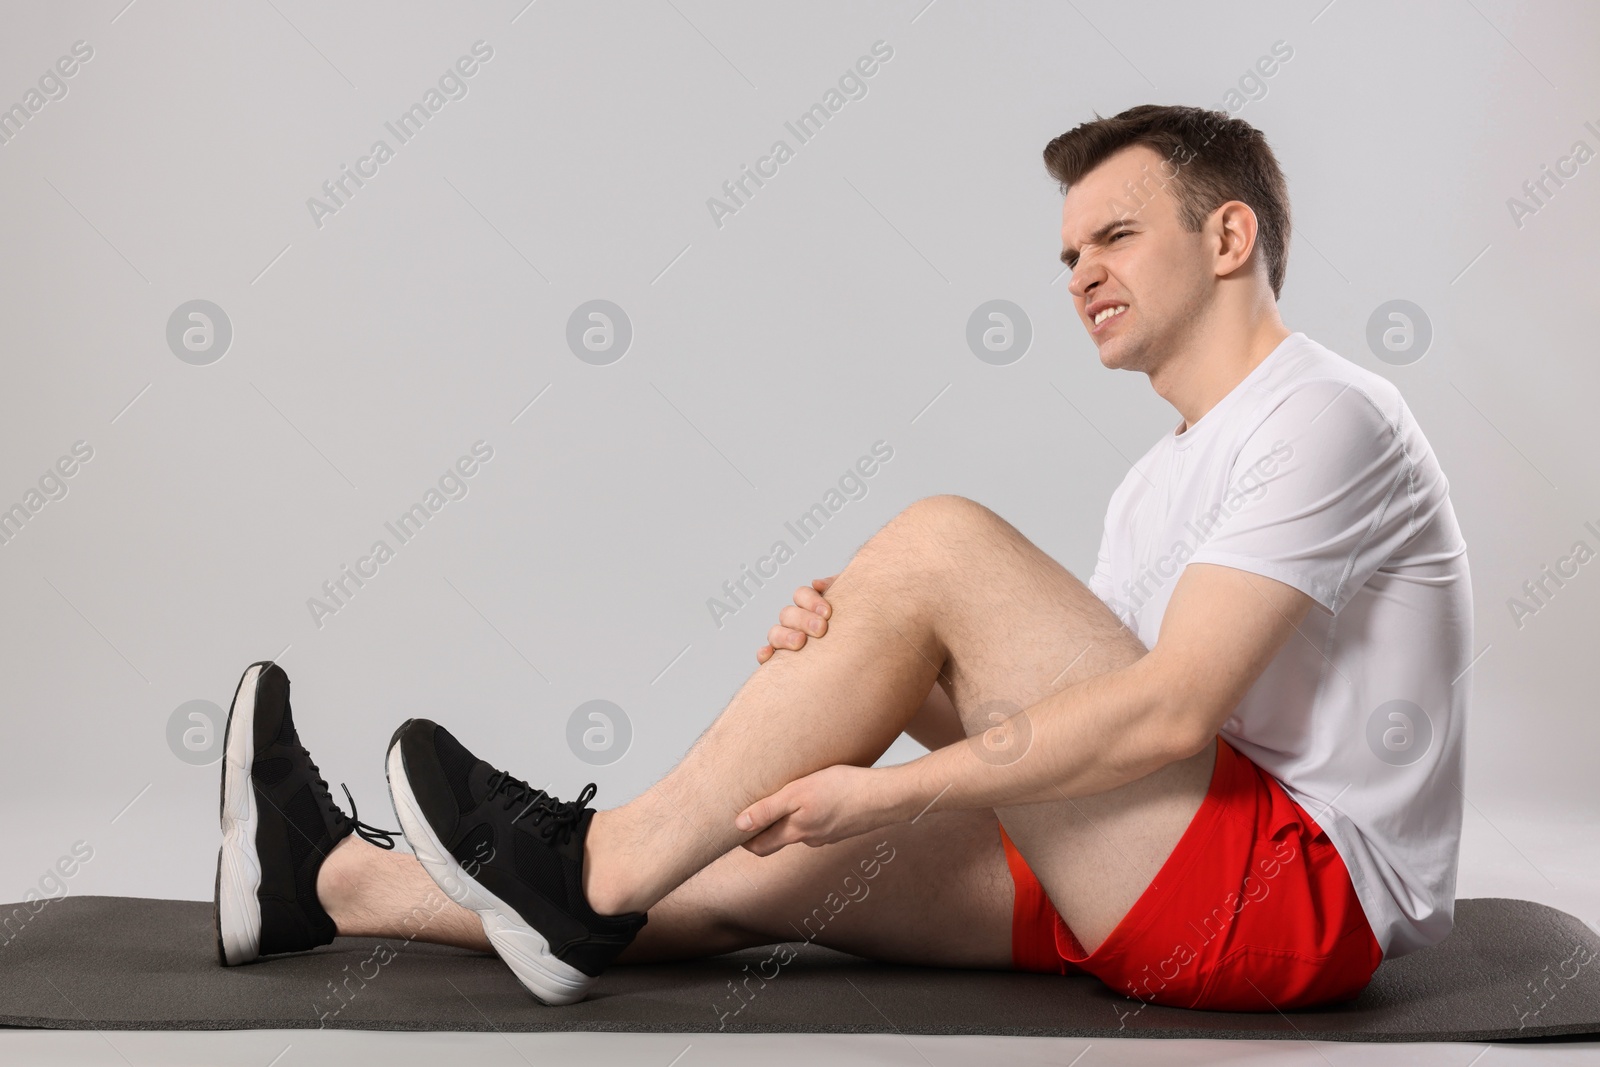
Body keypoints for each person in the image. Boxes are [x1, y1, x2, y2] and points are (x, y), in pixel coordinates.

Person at [213, 103, 1471, 1013]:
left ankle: (589, 871)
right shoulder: (1159, 478)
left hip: (1295, 903)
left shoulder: (1324, 414)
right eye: (1068, 254)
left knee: (940, 541)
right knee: (758, 863)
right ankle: (322, 881)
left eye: (1116, 235)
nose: (1081, 270)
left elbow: (1166, 711)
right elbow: (1051, 725)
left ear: (1230, 235)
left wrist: (885, 767)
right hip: (1169, 864)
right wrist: (883, 651)